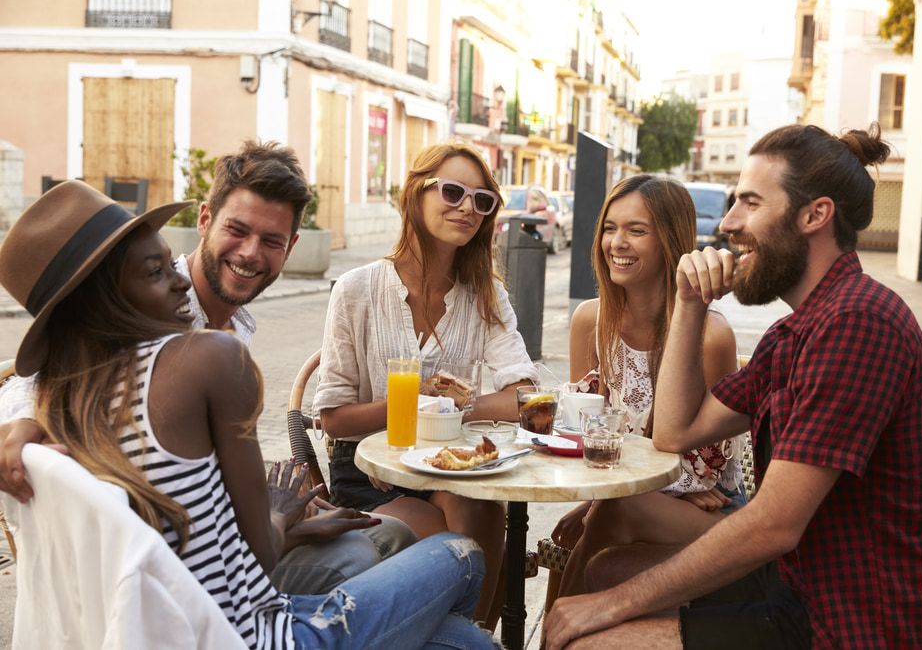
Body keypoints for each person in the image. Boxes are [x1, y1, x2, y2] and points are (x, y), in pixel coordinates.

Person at [0, 180, 496, 649]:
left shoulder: (69, 395)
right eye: (155, 272)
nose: (178, 281)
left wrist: (290, 520)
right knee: (462, 555)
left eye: (273, 240)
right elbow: (255, 558)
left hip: (171, 623)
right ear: (101, 302)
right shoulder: (207, 356)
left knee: (465, 642)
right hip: (254, 631)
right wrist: (279, 513)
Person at [544, 124, 922, 649]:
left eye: (749, 203)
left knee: (593, 635)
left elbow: (773, 526)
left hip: (859, 619)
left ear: (814, 215)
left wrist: (608, 609)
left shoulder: (858, 322)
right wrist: (690, 302)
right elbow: (676, 432)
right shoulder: (794, 333)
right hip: (799, 584)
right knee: (608, 570)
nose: (727, 224)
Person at [0, 140, 416, 595]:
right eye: (237, 230)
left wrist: (284, 501)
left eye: (272, 241)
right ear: (204, 220)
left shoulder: (234, 323)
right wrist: (23, 419)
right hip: (204, 583)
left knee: (395, 538)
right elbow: (57, 365)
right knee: (410, 555)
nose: (251, 253)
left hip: (219, 548)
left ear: (291, 246)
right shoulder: (149, 308)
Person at [314, 141, 538, 624]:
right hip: (371, 473)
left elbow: (522, 396)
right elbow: (332, 417)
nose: (468, 208)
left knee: (479, 507)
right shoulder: (357, 290)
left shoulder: (486, 295)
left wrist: (454, 406)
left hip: (451, 465)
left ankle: (472, 636)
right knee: (449, 540)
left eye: (483, 200)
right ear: (416, 194)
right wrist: (416, 399)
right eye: (453, 191)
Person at [550, 175, 739, 599]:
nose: (617, 242)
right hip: (633, 499)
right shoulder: (591, 322)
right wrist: (592, 502)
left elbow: (708, 470)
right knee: (585, 527)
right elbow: (583, 441)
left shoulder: (710, 336)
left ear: (670, 241)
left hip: (717, 514)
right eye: (610, 228)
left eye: (636, 230)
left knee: (612, 514)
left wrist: (664, 491)